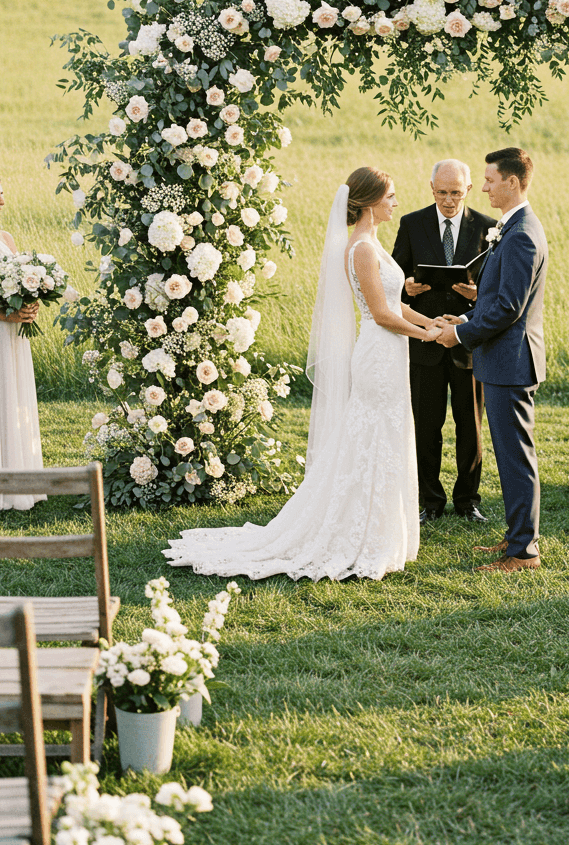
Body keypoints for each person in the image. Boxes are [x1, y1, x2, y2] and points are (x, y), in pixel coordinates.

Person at [165, 167, 442, 582]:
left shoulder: (373, 245)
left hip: (391, 352)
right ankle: (356, 531)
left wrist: (431, 321)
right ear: (369, 202)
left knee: (385, 433)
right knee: (373, 436)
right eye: (390, 196)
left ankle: (379, 529)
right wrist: (429, 335)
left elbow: (396, 303)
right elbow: (381, 314)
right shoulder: (362, 250)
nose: (395, 203)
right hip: (377, 354)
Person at [434, 148, 547, 572]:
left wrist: (459, 334)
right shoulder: (513, 227)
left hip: (510, 363)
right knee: (511, 456)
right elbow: (495, 299)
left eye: (489, 180)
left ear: (512, 182)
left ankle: (524, 553)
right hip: (503, 361)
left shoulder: (520, 234)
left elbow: (508, 309)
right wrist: (463, 316)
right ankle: (517, 539)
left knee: (515, 459)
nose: (482, 188)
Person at [391, 160, 496, 526]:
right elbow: (393, 276)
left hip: (468, 342)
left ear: (468, 189)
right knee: (426, 427)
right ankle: (429, 502)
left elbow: (496, 290)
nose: (448, 200)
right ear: (431, 187)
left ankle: (468, 501)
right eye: (441, 192)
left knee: (471, 426)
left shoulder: (488, 227)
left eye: (455, 193)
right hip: (425, 342)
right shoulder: (411, 223)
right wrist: (406, 286)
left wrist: (476, 294)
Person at [0, 174, 47, 511]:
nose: (1, 202)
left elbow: (19, 286)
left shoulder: (6, 239)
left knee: (12, 399)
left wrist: (30, 304)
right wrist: (5, 316)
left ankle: (19, 478)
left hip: (13, 339)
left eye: (1, 195)